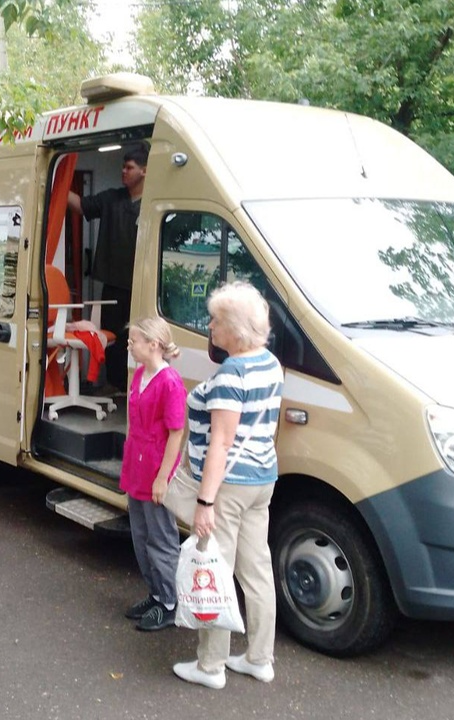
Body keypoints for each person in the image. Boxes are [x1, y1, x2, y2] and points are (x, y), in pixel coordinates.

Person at [172, 281, 284, 689]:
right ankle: (259, 658)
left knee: (214, 572)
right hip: (262, 479)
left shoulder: (231, 375)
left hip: (229, 487)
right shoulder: (270, 363)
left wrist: (205, 501)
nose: (210, 326)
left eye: (216, 320)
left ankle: (211, 666)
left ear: (235, 328)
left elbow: (221, 441)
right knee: (257, 572)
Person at [120, 317, 187, 631]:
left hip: (156, 466)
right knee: (141, 535)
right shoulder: (139, 375)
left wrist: (163, 477)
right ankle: (156, 593)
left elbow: (176, 433)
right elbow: (134, 422)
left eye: (134, 341)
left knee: (161, 538)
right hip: (137, 462)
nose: (130, 345)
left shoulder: (170, 382)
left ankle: (170, 603)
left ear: (154, 345)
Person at [67, 143, 148, 392]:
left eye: (129, 167)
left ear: (144, 171)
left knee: (136, 339)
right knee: (112, 336)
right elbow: (80, 205)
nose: (124, 171)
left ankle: (133, 388)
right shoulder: (112, 198)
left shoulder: (153, 205)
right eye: (123, 166)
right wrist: (53, 183)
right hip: (113, 285)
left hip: (141, 288)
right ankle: (113, 385)